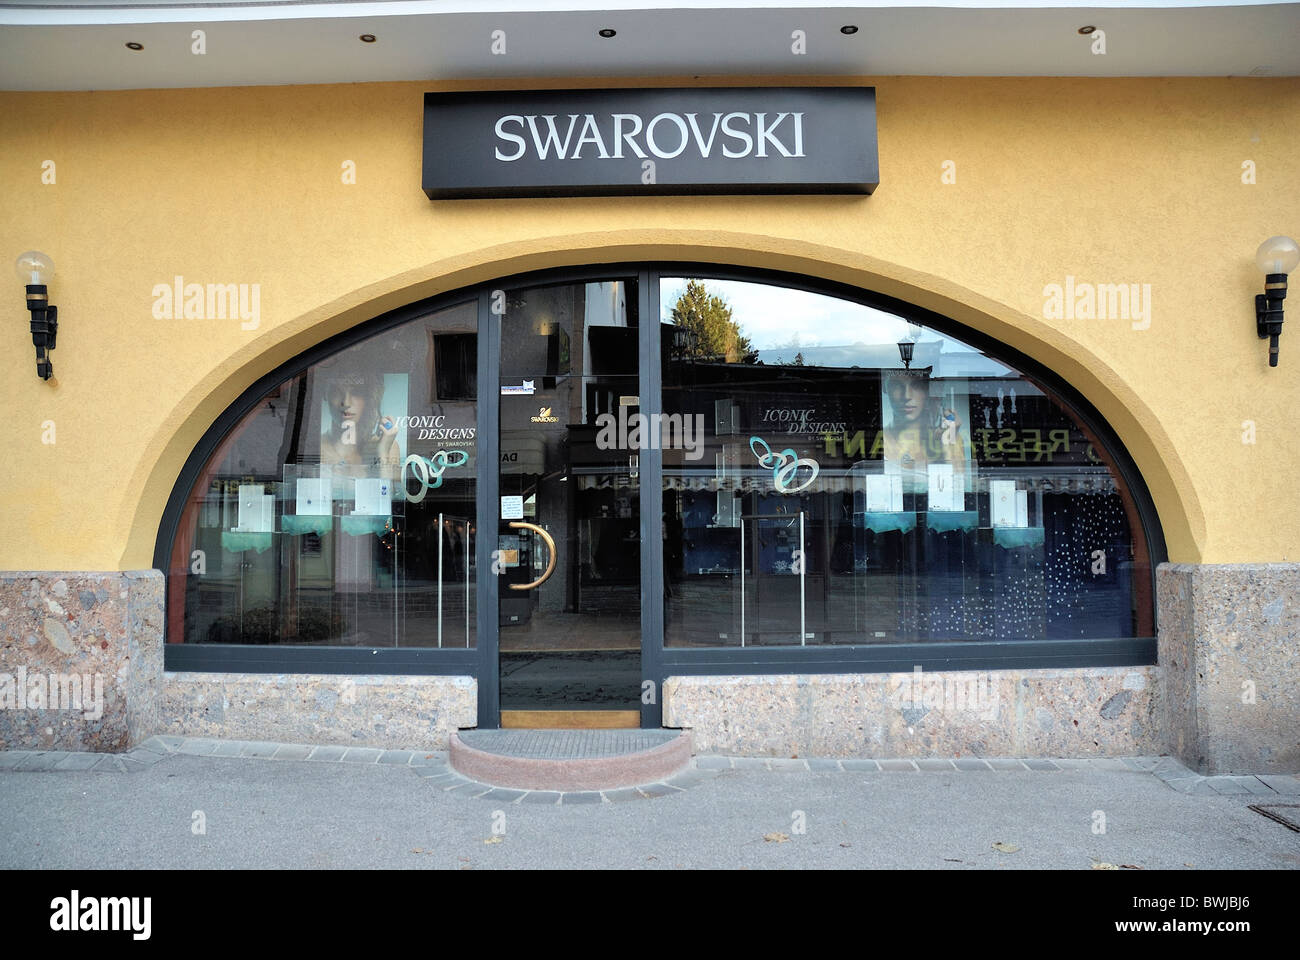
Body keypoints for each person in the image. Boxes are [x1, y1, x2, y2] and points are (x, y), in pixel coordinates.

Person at [881, 369, 966, 491]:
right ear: (885, 387)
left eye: (917, 386)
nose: (907, 396)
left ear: (927, 392)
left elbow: (959, 489)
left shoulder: (950, 436)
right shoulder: (877, 438)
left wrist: (947, 447)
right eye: (896, 386)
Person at [319, 372, 401, 486]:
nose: (346, 403)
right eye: (337, 391)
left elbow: (392, 499)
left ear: (369, 398)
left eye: (356, 392)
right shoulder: (316, 447)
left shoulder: (388, 446)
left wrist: (383, 452)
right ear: (325, 394)